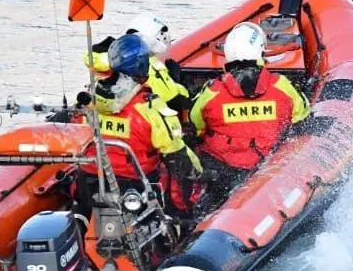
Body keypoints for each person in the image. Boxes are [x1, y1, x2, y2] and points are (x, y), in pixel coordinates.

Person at [74, 34, 201, 224]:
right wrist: (201, 173)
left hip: (89, 182)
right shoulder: (150, 108)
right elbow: (178, 157)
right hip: (136, 187)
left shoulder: (90, 104)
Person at [188, 22, 310, 210]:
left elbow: (194, 125)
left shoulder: (211, 93)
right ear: (260, 51)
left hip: (221, 171)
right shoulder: (282, 87)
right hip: (267, 168)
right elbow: (302, 117)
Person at [85, 14, 191, 112]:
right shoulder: (143, 64)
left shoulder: (113, 56)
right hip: (141, 115)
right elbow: (172, 99)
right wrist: (176, 81)